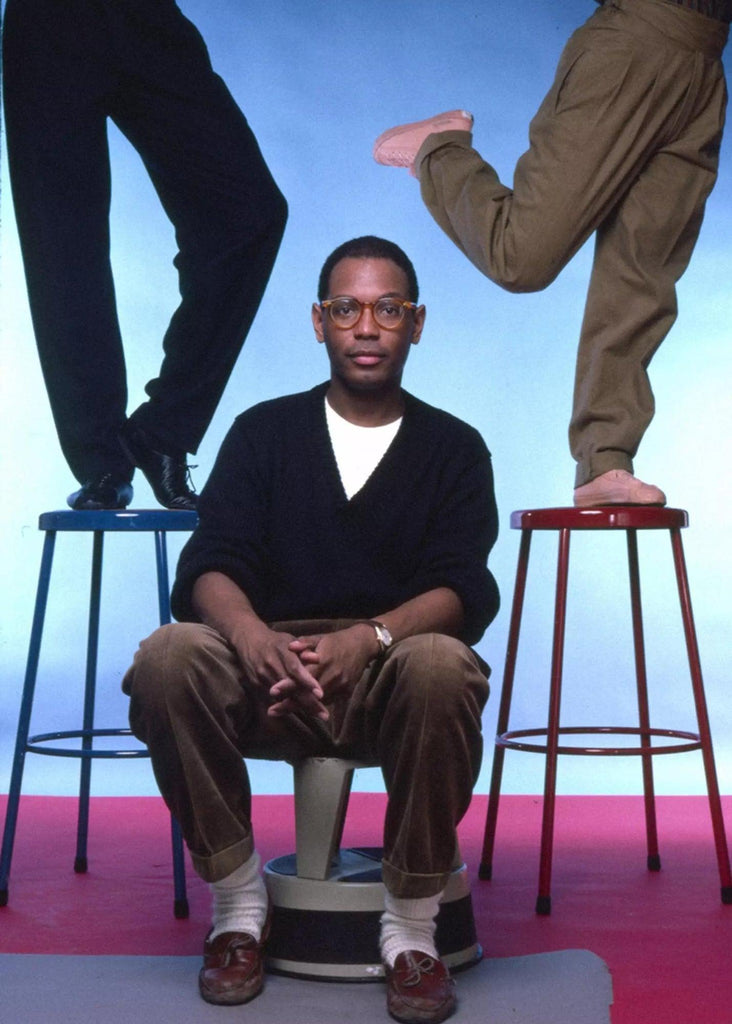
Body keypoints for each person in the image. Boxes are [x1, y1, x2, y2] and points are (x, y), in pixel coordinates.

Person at [122, 235, 500, 1023]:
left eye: (388, 308)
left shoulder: (456, 449)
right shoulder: (263, 432)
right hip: (266, 672)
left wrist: (368, 640)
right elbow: (208, 563)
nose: (367, 326)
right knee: (167, 656)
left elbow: (464, 588)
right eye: (347, 308)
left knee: (444, 664)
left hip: (388, 676)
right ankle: (237, 909)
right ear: (319, 322)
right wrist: (254, 639)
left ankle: (411, 932)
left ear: (417, 324)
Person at [373, 0, 729, 508]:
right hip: (635, 41)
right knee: (522, 257)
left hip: (707, 59)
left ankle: (604, 459)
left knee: (641, 281)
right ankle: (441, 150)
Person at [3, 0, 287, 511]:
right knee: (64, 244)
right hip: (46, 20)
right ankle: (101, 459)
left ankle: (163, 431)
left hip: (142, 14)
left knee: (250, 213)